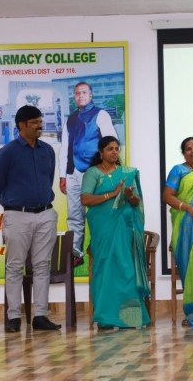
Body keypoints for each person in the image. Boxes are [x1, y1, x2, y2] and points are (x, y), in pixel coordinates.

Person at [0, 105, 61, 333]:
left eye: (40, 121)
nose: (40, 125)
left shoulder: (47, 151)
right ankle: (13, 317)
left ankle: (40, 315)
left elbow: (48, 179)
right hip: (17, 215)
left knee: (42, 266)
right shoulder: (8, 152)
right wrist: (12, 204)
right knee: (14, 266)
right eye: (35, 122)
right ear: (22, 125)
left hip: (46, 214)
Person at [81, 136, 150, 329]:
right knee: (104, 270)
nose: (114, 152)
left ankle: (130, 319)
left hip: (124, 229)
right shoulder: (93, 173)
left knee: (126, 270)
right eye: (109, 149)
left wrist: (129, 195)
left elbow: (136, 202)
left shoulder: (127, 173)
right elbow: (85, 199)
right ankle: (105, 319)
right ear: (101, 152)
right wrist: (112, 194)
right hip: (103, 229)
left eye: (116, 149)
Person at [59, 81, 117, 266]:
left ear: (91, 95)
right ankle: (76, 253)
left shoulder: (101, 114)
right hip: (73, 172)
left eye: (84, 92)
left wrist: (108, 171)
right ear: (74, 97)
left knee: (98, 212)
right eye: (77, 93)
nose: (80, 96)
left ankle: (102, 249)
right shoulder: (70, 119)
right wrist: (62, 175)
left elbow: (111, 143)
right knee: (74, 214)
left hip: (95, 172)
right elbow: (64, 147)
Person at [162, 137, 193, 327]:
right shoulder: (178, 170)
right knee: (190, 269)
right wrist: (188, 208)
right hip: (185, 228)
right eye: (189, 149)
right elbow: (167, 196)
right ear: (184, 153)